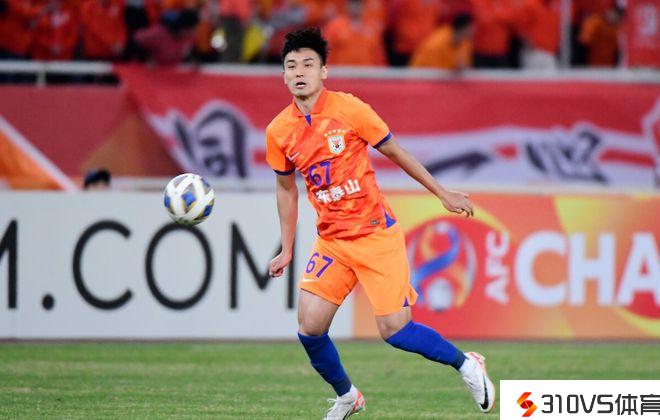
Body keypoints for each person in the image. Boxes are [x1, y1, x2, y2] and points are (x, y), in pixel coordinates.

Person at [265, 27, 495, 419]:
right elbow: (286, 189)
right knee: (310, 327)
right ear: (284, 76)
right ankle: (348, 397)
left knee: (395, 331)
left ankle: (466, 363)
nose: (299, 71)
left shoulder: (350, 109)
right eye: (291, 65)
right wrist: (286, 248)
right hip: (333, 241)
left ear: (324, 71)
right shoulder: (278, 131)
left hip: (374, 234)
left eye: (308, 64)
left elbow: (395, 151)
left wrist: (441, 193)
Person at [409, 13, 474, 70]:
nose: (473, 31)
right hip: (419, 76)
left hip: (442, 77)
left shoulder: (465, 44)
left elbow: (465, 66)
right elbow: (434, 70)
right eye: (471, 28)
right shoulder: (437, 43)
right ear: (463, 28)